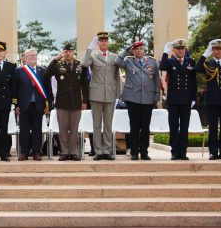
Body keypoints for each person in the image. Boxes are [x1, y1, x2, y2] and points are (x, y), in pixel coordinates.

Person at [115, 41, 161, 160]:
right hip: (132, 98)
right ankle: (134, 152)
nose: (139, 51)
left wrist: (156, 95)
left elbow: (157, 80)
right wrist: (126, 49)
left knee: (145, 127)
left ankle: (144, 151)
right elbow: (117, 61)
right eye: (136, 49)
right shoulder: (129, 61)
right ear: (133, 51)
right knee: (134, 126)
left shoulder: (152, 61)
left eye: (141, 49)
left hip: (148, 98)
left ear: (144, 50)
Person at [80, 32, 121, 161]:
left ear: (108, 43)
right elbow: (84, 64)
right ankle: (98, 150)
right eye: (101, 41)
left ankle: (107, 150)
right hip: (96, 94)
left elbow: (117, 77)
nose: (103, 43)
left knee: (108, 124)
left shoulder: (114, 57)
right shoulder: (93, 55)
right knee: (97, 124)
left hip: (110, 93)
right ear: (98, 43)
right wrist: (89, 48)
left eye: (105, 41)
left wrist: (118, 95)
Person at [46, 43, 89, 161]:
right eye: (65, 51)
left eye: (70, 51)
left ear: (73, 52)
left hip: (76, 101)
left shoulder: (80, 65)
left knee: (74, 128)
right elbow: (47, 74)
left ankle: (73, 152)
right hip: (62, 100)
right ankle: (64, 152)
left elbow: (85, 84)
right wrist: (55, 59)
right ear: (63, 53)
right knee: (63, 128)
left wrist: (85, 100)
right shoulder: (58, 65)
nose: (68, 53)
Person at [196, 39, 221, 160]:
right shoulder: (208, 64)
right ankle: (213, 152)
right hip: (212, 101)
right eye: (216, 49)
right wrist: (204, 55)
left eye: (220, 49)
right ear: (212, 50)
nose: (218, 51)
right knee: (212, 127)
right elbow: (197, 69)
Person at [159, 39, 196, 161]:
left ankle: (183, 151)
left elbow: (193, 82)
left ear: (185, 50)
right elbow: (162, 67)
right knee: (174, 127)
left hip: (186, 99)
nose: (181, 51)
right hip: (174, 100)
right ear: (174, 50)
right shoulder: (170, 61)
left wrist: (194, 98)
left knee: (185, 127)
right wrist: (165, 52)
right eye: (178, 49)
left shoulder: (190, 61)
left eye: (182, 49)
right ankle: (174, 152)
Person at [12, 49, 51, 161]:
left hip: (38, 105)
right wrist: (16, 105)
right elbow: (14, 90)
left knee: (37, 130)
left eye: (34, 55)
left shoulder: (43, 70)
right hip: (24, 105)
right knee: (24, 130)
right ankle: (24, 152)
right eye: (30, 56)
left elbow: (48, 89)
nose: (33, 57)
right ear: (25, 58)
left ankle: (36, 152)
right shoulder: (19, 71)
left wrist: (48, 105)